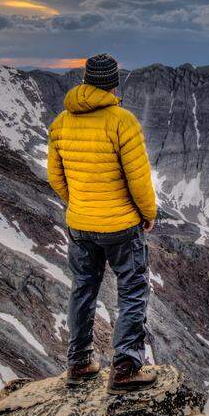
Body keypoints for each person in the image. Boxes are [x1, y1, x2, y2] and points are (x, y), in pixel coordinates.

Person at [47, 53, 159, 394]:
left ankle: (79, 363)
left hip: (80, 224)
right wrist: (148, 214)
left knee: (83, 289)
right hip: (121, 226)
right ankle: (125, 368)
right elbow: (139, 180)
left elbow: (55, 176)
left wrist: (77, 203)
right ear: (113, 82)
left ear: (86, 81)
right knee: (132, 290)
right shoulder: (122, 122)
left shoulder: (61, 122)